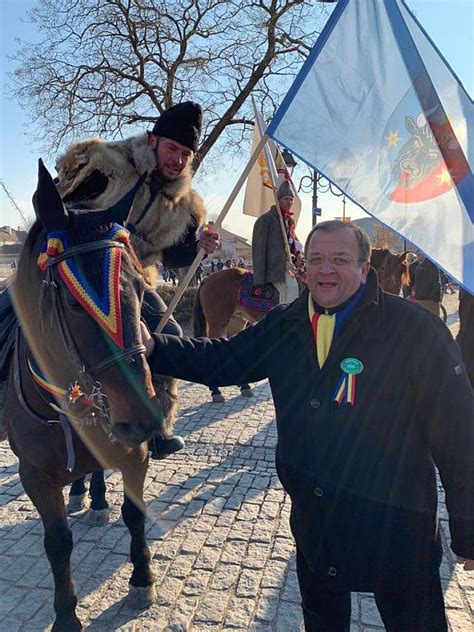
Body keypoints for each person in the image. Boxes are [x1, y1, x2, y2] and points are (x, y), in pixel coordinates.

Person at [141, 220, 474, 632]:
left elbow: (459, 437)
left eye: (340, 259)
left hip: (398, 532)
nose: (326, 270)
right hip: (319, 528)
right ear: (303, 267)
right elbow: (224, 360)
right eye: (316, 259)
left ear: (365, 268)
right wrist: (155, 347)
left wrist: (468, 526)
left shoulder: (416, 331)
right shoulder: (286, 323)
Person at [55, 101, 219, 458]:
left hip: (133, 281)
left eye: (186, 153)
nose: (178, 159)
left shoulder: (186, 207)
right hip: (80, 265)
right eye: (172, 148)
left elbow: (176, 256)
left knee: (170, 334)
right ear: (153, 140)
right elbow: (61, 201)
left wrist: (199, 247)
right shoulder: (106, 165)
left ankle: (156, 425)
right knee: (11, 311)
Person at [252, 180, 299, 304]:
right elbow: (260, 250)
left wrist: (298, 256)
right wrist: (283, 263)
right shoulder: (266, 220)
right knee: (292, 287)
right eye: (286, 199)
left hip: (288, 267)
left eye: (291, 199)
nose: (289, 202)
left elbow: (292, 244)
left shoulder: (288, 222)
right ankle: (285, 317)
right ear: (278, 200)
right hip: (273, 271)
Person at [413, 251, 441, 317]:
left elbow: (436, 284)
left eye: (420, 254)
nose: (418, 256)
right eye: (417, 254)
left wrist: (435, 298)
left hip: (427, 300)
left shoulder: (430, 266)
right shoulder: (418, 265)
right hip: (422, 298)